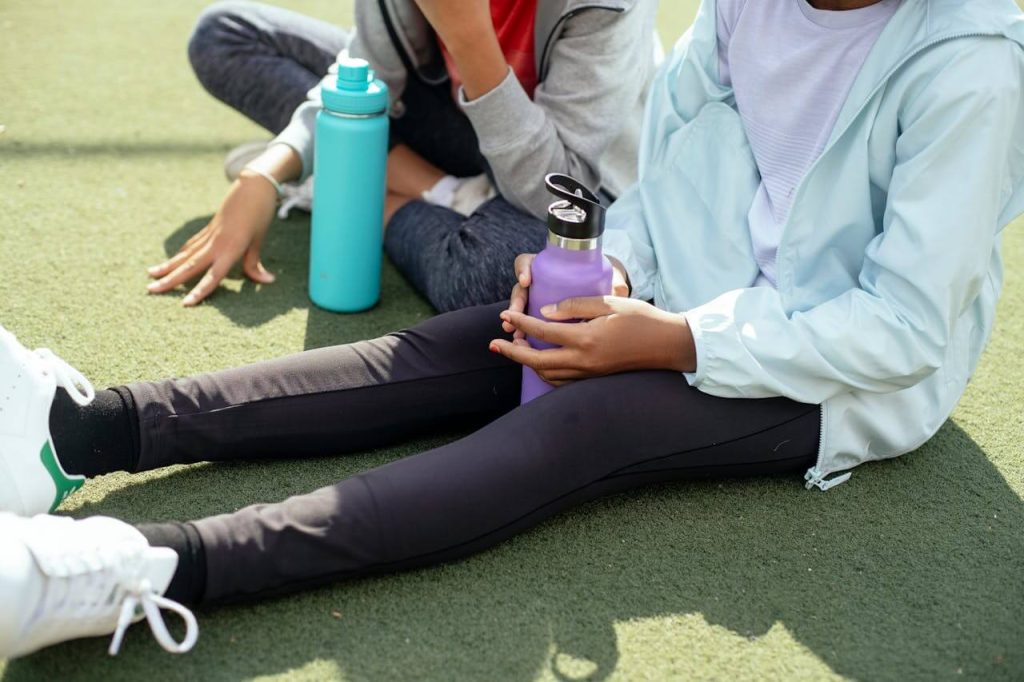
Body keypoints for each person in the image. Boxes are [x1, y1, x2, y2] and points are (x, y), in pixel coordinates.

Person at [2, 0, 1023, 659]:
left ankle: (149, 564)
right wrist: (608, 272)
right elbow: (665, 189)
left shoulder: (971, 66)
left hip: (833, 375)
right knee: (481, 336)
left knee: (577, 426)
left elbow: (901, 327)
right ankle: (85, 427)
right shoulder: (741, 6)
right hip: (677, 297)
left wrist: (672, 341)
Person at [145, 0, 659, 312]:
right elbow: (362, 76)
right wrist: (269, 169)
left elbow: (559, 190)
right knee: (225, 35)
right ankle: (437, 189)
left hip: (560, 173)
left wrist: (469, 38)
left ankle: (342, 183)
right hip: (450, 123)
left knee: (504, 275)